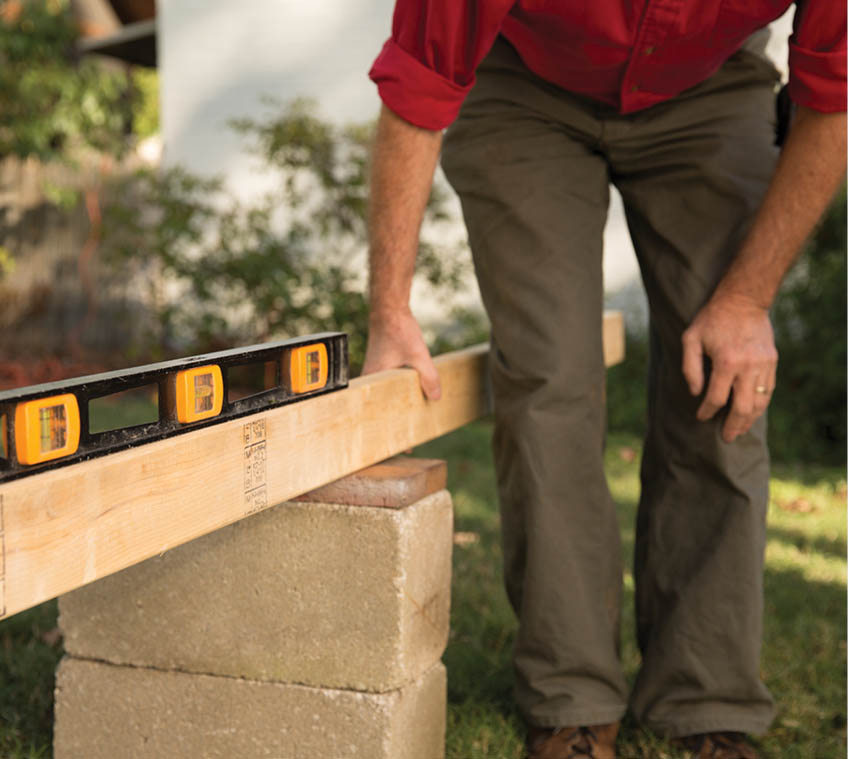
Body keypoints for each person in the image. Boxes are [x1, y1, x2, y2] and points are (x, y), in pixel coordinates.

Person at [361, 3, 846, 758]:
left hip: (711, 86)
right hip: (524, 86)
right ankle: (571, 699)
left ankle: (705, 695)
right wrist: (390, 308)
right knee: (548, 379)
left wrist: (746, 301)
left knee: (721, 383)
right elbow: (418, 87)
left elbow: (835, 98)